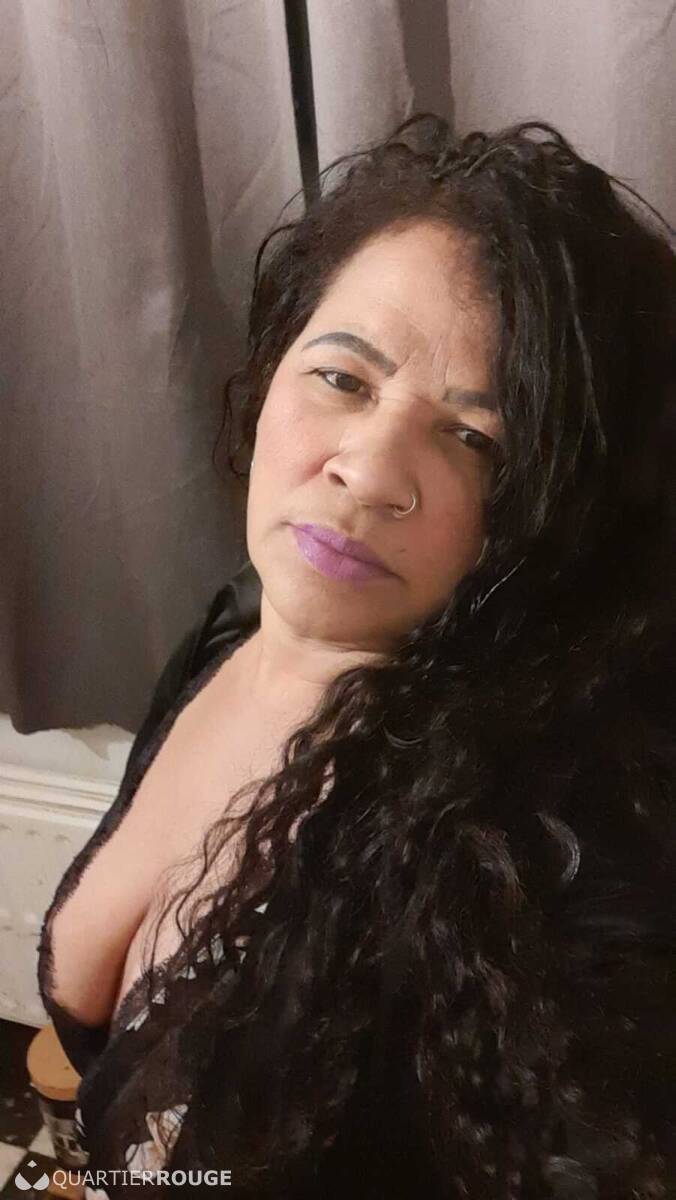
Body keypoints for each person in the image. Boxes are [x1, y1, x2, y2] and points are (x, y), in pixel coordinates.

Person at [37, 113, 675, 1199]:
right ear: (270, 371)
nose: (371, 471)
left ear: (549, 511)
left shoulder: (528, 853)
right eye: (343, 378)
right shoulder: (232, 631)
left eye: (474, 438)